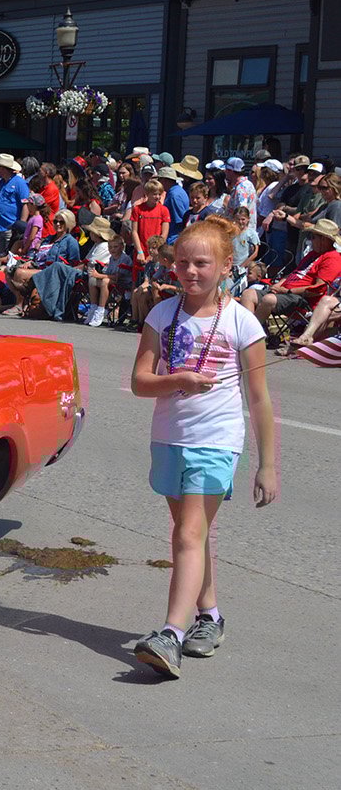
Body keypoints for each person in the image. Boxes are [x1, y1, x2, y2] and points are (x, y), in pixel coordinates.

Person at [129, 215, 277, 678]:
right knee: (192, 535)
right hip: (170, 438)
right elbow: (140, 382)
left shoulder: (242, 323)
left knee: (188, 536)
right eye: (182, 263)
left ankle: (170, 634)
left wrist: (266, 465)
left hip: (217, 443)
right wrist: (178, 380)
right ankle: (209, 617)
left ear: (226, 265)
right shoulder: (160, 314)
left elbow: (259, 399)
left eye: (201, 263)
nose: (190, 272)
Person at [238, 218, 341, 323]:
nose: (311, 240)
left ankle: (253, 335)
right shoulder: (312, 254)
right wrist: (279, 285)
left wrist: (288, 291)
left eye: (313, 237)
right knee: (248, 294)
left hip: (301, 299)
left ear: (323, 240)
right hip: (285, 292)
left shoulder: (332, 258)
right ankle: (251, 330)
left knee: (268, 300)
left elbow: (318, 289)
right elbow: (295, 273)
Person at [3, 209, 81, 317]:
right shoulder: (48, 238)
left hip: (52, 272)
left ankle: (20, 304)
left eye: (61, 222)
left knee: (20, 273)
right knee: (8, 270)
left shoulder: (71, 242)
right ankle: (22, 299)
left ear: (68, 223)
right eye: (55, 221)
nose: (58, 224)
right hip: (38, 267)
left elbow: (74, 264)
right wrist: (30, 262)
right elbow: (37, 256)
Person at [0, 153, 30, 256]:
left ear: (3, 168)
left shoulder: (20, 183)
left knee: (9, 256)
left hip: (11, 227)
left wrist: (21, 225)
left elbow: (25, 204)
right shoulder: (1, 183)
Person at [130, 178, 171, 262]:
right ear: (147, 194)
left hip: (156, 251)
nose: (158, 197)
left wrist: (155, 251)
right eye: (155, 194)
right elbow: (134, 231)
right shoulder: (138, 209)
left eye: (160, 194)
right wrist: (139, 251)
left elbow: (164, 233)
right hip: (141, 249)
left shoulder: (164, 210)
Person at [222, 157, 258, 232]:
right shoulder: (248, 184)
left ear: (231, 171)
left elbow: (242, 213)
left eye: (226, 170)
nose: (225, 172)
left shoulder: (241, 188)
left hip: (240, 235)